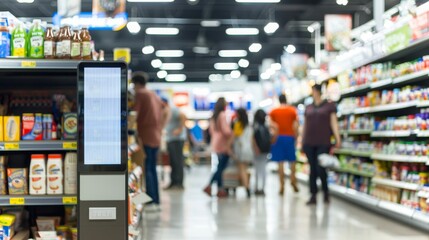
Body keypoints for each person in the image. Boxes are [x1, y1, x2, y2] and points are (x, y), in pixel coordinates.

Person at [132, 72, 167, 211]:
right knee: (152, 168)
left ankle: (150, 200)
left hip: (145, 136)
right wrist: (161, 126)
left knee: (148, 169)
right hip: (156, 136)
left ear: (136, 83)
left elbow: (135, 113)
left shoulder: (140, 94)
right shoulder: (154, 94)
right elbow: (166, 110)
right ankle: (156, 200)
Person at [302, 84, 341, 205]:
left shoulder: (329, 106)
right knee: (312, 169)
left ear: (318, 91)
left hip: (323, 142)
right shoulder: (308, 107)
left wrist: (337, 138)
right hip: (309, 142)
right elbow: (305, 125)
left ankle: (325, 192)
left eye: (314, 90)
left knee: (321, 168)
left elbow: (334, 123)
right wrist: (302, 140)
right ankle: (313, 195)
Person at [269, 94, 299, 195]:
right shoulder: (292, 111)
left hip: (278, 138)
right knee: (292, 160)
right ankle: (293, 180)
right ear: (286, 100)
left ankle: (281, 186)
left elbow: (271, 125)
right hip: (289, 137)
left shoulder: (274, 111)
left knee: (280, 162)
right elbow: (295, 126)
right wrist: (296, 137)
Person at [203, 97, 232, 198]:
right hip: (223, 143)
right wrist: (232, 134)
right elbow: (226, 131)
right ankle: (212, 186)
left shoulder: (213, 116)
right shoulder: (222, 115)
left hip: (215, 142)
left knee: (219, 166)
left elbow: (211, 131)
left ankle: (219, 189)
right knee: (221, 167)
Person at [231, 108, 253, 198]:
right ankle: (246, 185)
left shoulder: (238, 124)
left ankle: (247, 187)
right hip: (249, 149)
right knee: (246, 168)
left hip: (240, 149)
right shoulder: (248, 125)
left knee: (241, 169)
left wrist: (228, 146)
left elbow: (233, 136)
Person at [165, 102, 187, 190]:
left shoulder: (173, 109)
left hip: (177, 139)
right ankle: (173, 182)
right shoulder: (167, 112)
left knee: (178, 161)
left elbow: (183, 115)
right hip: (171, 139)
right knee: (172, 162)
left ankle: (179, 183)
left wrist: (180, 129)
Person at [252, 109, 270, 196]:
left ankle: (257, 188)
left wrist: (255, 148)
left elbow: (253, 139)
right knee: (263, 169)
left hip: (257, 151)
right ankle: (262, 188)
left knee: (256, 170)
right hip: (265, 151)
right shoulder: (266, 126)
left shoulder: (255, 126)